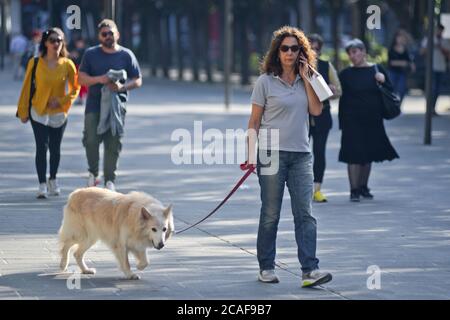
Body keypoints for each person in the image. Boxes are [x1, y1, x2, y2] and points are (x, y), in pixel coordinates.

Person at [247, 26, 332, 287]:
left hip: (301, 155)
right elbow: (254, 121)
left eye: (295, 48)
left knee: (305, 213)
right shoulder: (265, 82)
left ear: (302, 52)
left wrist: (307, 78)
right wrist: (251, 156)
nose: (290, 53)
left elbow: (316, 111)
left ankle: (310, 270)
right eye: (285, 48)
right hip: (270, 153)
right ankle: (266, 267)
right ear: (277, 51)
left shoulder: (306, 80)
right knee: (271, 213)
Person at [78, 19, 142, 191]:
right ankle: (93, 173)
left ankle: (109, 180)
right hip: (94, 105)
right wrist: (100, 79)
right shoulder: (91, 54)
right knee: (91, 140)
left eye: (111, 33)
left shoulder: (126, 55)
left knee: (113, 142)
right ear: (99, 36)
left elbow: (138, 80)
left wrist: (123, 87)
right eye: (104, 34)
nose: (108, 36)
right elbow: (80, 78)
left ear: (117, 34)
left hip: (117, 107)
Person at [16, 28, 80, 199]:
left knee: (55, 148)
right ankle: (42, 184)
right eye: (52, 40)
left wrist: (62, 100)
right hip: (38, 111)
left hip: (59, 113)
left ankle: (53, 179)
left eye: (59, 40)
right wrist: (23, 111)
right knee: (41, 147)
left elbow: (77, 87)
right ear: (45, 43)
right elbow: (26, 88)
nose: (56, 43)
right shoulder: (35, 62)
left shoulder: (67, 64)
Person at [338, 39, 399, 202]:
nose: (352, 56)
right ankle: (354, 190)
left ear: (363, 52)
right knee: (353, 155)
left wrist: (383, 81)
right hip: (351, 120)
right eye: (350, 53)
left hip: (373, 119)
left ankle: (363, 187)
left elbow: (391, 90)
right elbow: (338, 96)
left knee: (368, 153)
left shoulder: (377, 70)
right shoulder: (345, 74)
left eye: (355, 52)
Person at [308, 34, 342, 203]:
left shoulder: (326, 66)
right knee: (301, 155)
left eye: (316, 49)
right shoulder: (296, 67)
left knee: (319, 153)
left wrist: (331, 91)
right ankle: (303, 189)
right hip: (302, 118)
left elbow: (339, 91)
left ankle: (317, 189)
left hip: (322, 116)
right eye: (310, 48)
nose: (313, 52)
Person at [420, 24, 450, 116]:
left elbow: (448, 54)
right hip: (431, 68)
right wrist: (431, 46)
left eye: (441, 31)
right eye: (438, 30)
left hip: (441, 67)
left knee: (437, 90)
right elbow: (421, 52)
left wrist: (440, 47)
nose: (439, 32)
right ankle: (429, 108)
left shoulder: (445, 41)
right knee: (431, 89)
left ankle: (432, 108)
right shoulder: (429, 39)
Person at [388, 29, 415, 104]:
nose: (400, 39)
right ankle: (392, 105)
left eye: (402, 37)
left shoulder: (406, 49)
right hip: (393, 72)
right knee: (392, 90)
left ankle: (398, 106)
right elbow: (391, 62)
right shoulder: (391, 49)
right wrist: (403, 63)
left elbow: (409, 60)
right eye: (399, 37)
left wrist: (411, 65)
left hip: (402, 72)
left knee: (402, 90)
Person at [69, 36, 88, 105]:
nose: (78, 44)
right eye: (77, 43)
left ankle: (84, 97)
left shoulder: (86, 50)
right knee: (78, 84)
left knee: (84, 84)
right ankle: (80, 98)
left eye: (80, 42)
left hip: (83, 69)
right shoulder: (75, 50)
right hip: (76, 69)